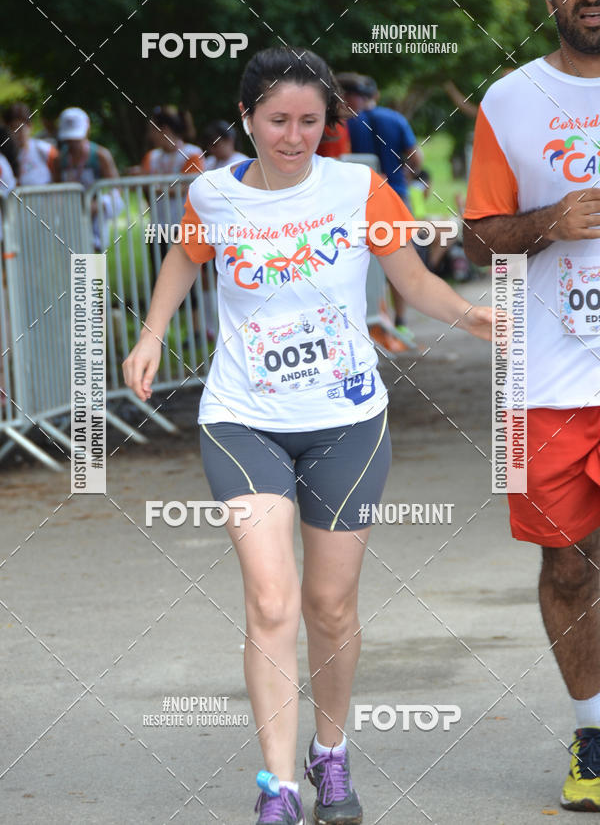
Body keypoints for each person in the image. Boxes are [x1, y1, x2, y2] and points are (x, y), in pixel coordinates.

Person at [123, 46, 493, 825]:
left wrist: (471, 315)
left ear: (328, 124)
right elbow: (184, 264)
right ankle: (278, 787)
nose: (293, 136)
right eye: (278, 120)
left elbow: (414, 279)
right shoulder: (213, 196)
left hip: (347, 422)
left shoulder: (358, 187)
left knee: (328, 605)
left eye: (310, 121)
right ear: (248, 118)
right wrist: (152, 334)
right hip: (241, 418)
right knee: (269, 599)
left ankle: (330, 755)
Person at [463, 0, 600, 812]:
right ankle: (596, 737)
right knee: (568, 570)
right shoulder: (508, 101)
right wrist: (548, 221)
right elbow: (479, 236)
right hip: (546, 382)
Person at [340, 73, 425, 345]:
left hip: (358, 201)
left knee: (362, 264)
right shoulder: (395, 119)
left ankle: (370, 323)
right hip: (397, 196)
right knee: (399, 262)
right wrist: (403, 178)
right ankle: (400, 323)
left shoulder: (345, 125)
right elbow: (416, 158)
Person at [51, 107, 122, 250]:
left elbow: (117, 187)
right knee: (73, 256)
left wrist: (99, 205)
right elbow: (56, 187)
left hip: (95, 218)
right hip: (70, 216)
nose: (73, 143)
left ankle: (94, 271)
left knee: (92, 256)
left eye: (77, 138)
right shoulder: (59, 160)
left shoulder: (101, 156)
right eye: (69, 139)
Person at [3, 102, 57, 185]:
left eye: (19, 129)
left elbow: (59, 180)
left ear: (30, 126)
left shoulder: (46, 150)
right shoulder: (4, 156)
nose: (15, 134)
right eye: (12, 129)